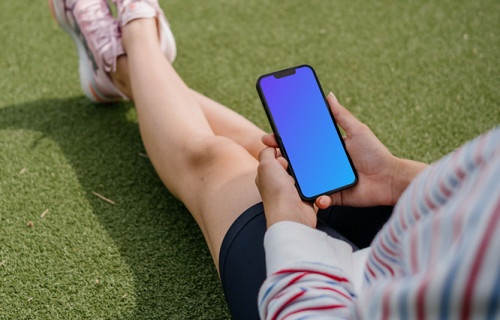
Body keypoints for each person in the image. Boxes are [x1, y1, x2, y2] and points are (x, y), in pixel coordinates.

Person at [49, 0, 500, 319]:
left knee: (216, 161)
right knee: (264, 147)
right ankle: (129, 66)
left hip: (341, 298)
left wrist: (286, 224)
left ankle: (134, 40)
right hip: (416, 240)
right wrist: (397, 178)